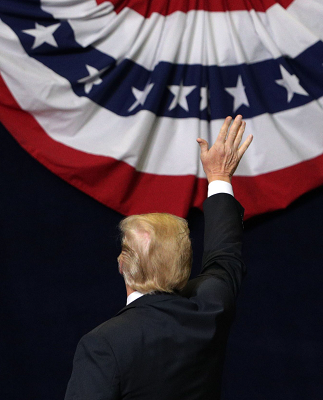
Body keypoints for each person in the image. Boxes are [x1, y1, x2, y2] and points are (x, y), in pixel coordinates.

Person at [64, 115, 253, 400]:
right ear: (184, 264)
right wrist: (219, 177)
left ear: (123, 264)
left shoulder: (104, 345)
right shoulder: (210, 309)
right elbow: (225, 257)